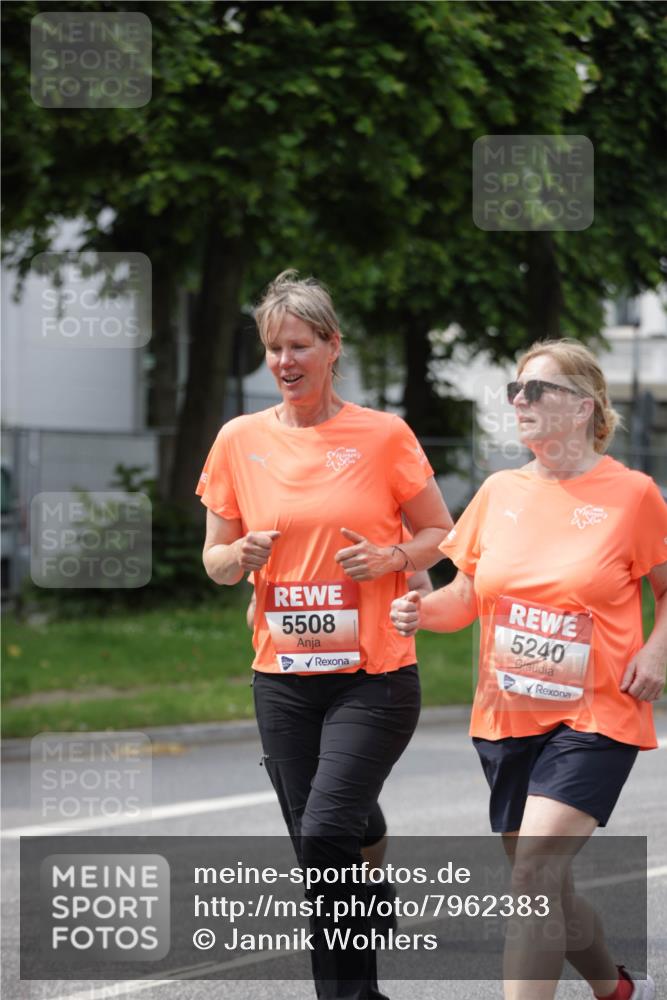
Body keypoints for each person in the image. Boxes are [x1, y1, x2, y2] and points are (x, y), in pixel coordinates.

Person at [196, 269, 452, 1000]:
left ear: (331, 347)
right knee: (324, 842)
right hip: (281, 680)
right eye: (274, 348)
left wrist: (394, 557)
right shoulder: (237, 441)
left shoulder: (381, 436)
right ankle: (367, 889)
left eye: (299, 345)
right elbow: (214, 560)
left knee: (322, 833)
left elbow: (440, 529)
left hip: (372, 677)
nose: (285, 361)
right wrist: (234, 557)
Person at [391, 339, 666, 1000]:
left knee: (533, 872)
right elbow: (464, 599)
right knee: (546, 882)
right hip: (507, 716)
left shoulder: (632, 496)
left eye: (536, 390)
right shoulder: (497, 492)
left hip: (598, 712)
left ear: (582, 407)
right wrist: (415, 612)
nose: (519, 402)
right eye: (515, 390)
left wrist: (656, 650)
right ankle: (610, 986)